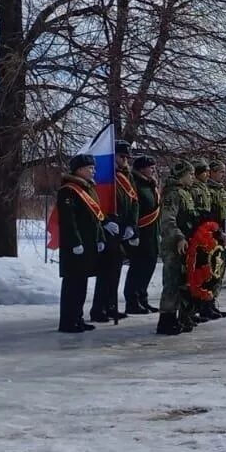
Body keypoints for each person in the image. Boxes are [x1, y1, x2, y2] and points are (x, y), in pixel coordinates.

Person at [91, 140, 138, 323]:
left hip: (122, 228)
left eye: (127, 157)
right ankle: (99, 308)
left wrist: (131, 226)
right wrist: (106, 221)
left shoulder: (128, 176)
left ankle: (111, 306)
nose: (125, 160)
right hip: (109, 228)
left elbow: (134, 202)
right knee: (106, 271)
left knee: (115, 270)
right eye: (121, 156)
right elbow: (97, 202)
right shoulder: (105, 175)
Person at [57, 154, 104, 333]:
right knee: (72, 284)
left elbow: (96, 218)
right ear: (78, 170)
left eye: (93, 168)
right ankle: (68, 321)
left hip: (89, 244)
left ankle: (78, 317)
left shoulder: (89, 188)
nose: (93, 171)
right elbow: (69, 221)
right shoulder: (68, 191)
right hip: (74, 246)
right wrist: (75, 242)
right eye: (89, 168)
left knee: (81, 283)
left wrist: (100, 238)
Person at [156, 161, 198, 335]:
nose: (193, 177)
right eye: (190, 174)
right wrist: (179, 237)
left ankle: (182, 317)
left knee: (184, 283)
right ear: (182, 175)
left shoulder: (185, 193)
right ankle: (166, 320)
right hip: (173, 246)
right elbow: (167, 220)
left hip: (186, 245)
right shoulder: (172, 194)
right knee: (172, 283)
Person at [124, 155, 161, 315]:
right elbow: (134, 209)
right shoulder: (136, 184)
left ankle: (143, 299)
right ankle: (132, 301)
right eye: (150, 166)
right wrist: (134, 231)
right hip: (142, 232)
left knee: (149, 267)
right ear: (140, 169)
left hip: (152, 232)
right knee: (138, 268)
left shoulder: (150, 185)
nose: (153, 169)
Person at [204, 161, 226, 319]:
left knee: (219, 271)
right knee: (211, 271)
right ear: (212, 172)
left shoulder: (222, 191)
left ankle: (213, 301)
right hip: (214, 237)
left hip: (225, 235)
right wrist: (219, 231)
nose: (223, 174)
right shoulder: (209, 191)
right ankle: (206, 303)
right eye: (221, 171)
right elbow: (210, 216)